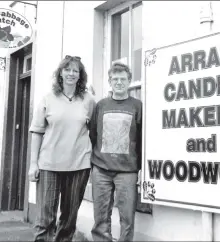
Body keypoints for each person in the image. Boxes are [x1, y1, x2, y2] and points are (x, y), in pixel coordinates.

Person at [28, 55, 96, 242]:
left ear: (80, 75)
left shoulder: (88, 100)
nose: (71, 74)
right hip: (49, 164)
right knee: (45, 218)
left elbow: (94, 131)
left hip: (79, 165)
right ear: (60, 73)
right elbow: (37, 132)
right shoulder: (48, 99)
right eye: (67, 70)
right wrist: (34, 164)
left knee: (69, 219)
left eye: (75, 70)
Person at [89, 62, 142, 241]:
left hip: (127, 171)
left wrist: (140, 168)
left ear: (129, 81)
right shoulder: (101, 105)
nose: (119, 82)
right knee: (100, 218)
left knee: (127, 218)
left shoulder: (137, 106)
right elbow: (93, 135)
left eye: (123, 79)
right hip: (101, 169)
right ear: (110, 82)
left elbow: (142, 138)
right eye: (115, 79)